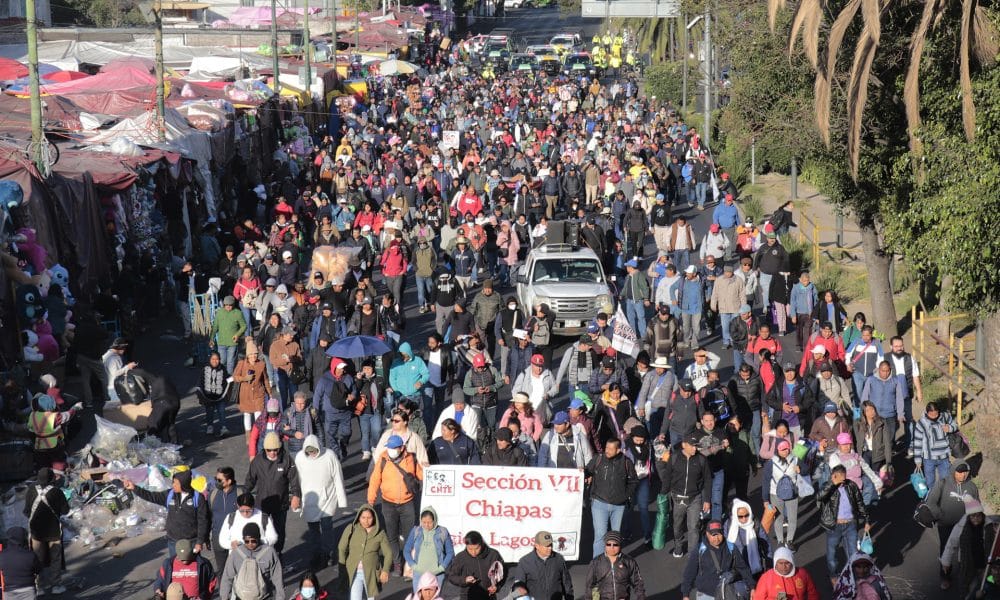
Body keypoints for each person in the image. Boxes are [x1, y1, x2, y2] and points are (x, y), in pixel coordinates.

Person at [368, 435, 424, 574]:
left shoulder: (411, 458)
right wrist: (371, 500)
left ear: (401, 448)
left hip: (407, 503)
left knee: (409, 535)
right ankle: (397, 562)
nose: (391, 450)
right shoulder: (383, 459)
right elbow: (375, 480)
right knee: (391, 535)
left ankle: (408, 563)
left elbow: (421, 475)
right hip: (388, 503)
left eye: (393, 448)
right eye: (389, 447)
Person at [123, 469, 209, 557]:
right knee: (175, 567)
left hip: (191, 542)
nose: (173, 485)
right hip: (173, 541)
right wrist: (134, 488)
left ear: (184, 484)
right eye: (173, 482)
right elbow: (152, 496)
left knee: (191, 569)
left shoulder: (198, 498)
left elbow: (203, 521)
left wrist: (200, 542)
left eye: (176, 483)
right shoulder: (170, 494)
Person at [296, 434, 348, 571]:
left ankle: (329, 553)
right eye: (309, 451)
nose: (311, 454)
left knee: (327, 528)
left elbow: (338, 477)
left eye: (313, 451)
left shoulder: (329, 455)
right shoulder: (300, 458)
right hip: (309, 501)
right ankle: (316, 554)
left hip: (327, 499)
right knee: (313, 531)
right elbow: (297, 481)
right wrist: (297, 500)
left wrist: (342, 500)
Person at [657, 432, 711, 558]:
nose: (694, 448)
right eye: (692, 446)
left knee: (693, 527)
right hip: (677, 498)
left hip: (695, 498)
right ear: (683, 445)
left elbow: (708, 480)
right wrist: (662, 494)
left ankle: (692, 554)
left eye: (696, 446)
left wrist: (707, 500)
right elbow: (667, 477)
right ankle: (678, 547)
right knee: (677, 526)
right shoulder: (674, 458)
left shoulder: (702, 459)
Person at [245, 432, 301, 553]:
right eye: (269, 450)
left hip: (280, 504)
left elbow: (294, 479)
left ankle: (277, 554)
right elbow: (250, 480)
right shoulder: (257, 461)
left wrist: (296, 495)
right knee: (261, 531)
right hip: (262, 504)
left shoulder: (287, 460)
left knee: (279, 532)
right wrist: (244, 497)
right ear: (265, 449)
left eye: (275, 449)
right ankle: (261, 555)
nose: (272, 452)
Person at [585, 437, 638, 558]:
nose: (607, 450)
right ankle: (597, 565)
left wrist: (625, 495)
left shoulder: (626, 462)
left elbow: (634, 481)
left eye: (610, 448)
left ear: (618, 450)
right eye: (606, 447)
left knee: (615, 536)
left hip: (618, 506)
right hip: (599, 503)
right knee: (600, 535)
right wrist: (583, 471)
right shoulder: (598, 459)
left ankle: (614, 562)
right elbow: (587, 471)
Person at [818, 464, 870, 584]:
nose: (842, 480)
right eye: (839, 477)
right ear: (833, 476)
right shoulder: (827, 486)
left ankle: (853, 577)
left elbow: (859, 503)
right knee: (832, 555)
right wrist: (832, 484)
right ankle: (833, 575)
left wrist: (867, 520)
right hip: (834, 526)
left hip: (850, 525)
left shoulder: (851, 485)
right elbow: (819, 497)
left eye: (843, 476)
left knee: (853, 553)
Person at [680, 520, 753, 600]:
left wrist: (752, 587)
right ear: (707, 534)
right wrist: (685, 594)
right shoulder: (700, 549)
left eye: (719, 534)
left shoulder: (731, 548)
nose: (716, 538)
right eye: (713, 535)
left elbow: (743, 568)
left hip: (726, 592)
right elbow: (690, 572)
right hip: (705, 594)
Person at [23, 468, 68, 595]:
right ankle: (56, 585)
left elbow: (26, 511)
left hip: (36, 532)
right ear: (51, 478)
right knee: (55, 558)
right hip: (54, 531)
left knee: (37, 559)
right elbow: (65, 511)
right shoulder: (57, 492)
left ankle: (39, 587)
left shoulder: (31, 490)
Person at [940, 498, 999, 593]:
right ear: (968, 516)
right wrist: (946, 562)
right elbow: (951, 544)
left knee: (983, 586)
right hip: (966, 563)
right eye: (972, 516)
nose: (975, 519)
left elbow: (994, 543)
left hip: (984, 564)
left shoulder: (989, 526)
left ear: (982, 515)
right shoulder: (961, 527)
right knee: (967, 586)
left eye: (978, 516)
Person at [926, 461, 980, 563]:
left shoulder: (972, 487)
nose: (963, 475)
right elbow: (931, 502)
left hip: (964, 525)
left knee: (965, 550)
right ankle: (945, 571)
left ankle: (964, 572)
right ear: (953, 472)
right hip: (946, 525)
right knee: (946, 549)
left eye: (965, 472)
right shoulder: (943, 483)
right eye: (959, 472)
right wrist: (940, 516)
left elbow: (977, 506)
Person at [338, 505, 392, 600]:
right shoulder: (351, 529)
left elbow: (388, 553)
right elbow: (341, 548)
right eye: (363, 517)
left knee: (371, 598)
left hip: (371, 574)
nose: (366, 521)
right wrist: (342, 566)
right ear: (359, 517)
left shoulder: (380, 533)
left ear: (374, 518)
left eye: (369, 518)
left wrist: (385, 570)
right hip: (354, 573)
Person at [218, 523, 285, 600]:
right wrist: (224, 597)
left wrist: (280, 597)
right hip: (241, 597)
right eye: (247, 541)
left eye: (253, 541)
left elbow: (278, 577)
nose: (250, 544)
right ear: (243, 539)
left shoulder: (269, 552)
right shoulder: (236, 553)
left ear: (259, 538)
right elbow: (227, 577)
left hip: (264, 596)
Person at [402, 508, 455, 594]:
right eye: (424, 522)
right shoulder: (416, 531)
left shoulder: (443, 532)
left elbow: (450, 552)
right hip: (419, 574)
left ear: (435, 520)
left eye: (430, 522)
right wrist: (413, 566)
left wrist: (442, 567)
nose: (426, 525)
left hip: (437, 574)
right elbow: (406, 550)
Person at [761, 439, 802, 550]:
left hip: (792, 494)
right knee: (779, 518)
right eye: (782, 449)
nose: (785, 451)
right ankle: (780, 540)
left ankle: (789, 541)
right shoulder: (771, 463)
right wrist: (765, 499)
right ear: (777, 450)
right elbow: (765, 481)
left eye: (787, 448)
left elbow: (807, 470)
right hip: (775, 494)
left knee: (793, 519)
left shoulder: (796, 458)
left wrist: (800, 469)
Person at [509, 531, 573, 600]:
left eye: (551, 545)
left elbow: (566, 583)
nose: (550, 548)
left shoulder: (558, 559)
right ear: (537, 546)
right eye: (547, 546)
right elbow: (518, 586)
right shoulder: (525, 562)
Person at [26, 393, 81, 472]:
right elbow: (68, 415)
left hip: (39, 445)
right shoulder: (55, 416)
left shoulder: (33, 415)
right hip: (54, 445)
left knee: (43, 464)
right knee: (58, 465)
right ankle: (58, 476)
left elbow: (30, 430)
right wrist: (75, 408)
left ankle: (44, 476)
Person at [314, 357, 356, 460]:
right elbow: (317, 395)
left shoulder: (348, 378)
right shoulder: (324, 379)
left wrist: (353, 395)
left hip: (345, 412)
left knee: (347, 433)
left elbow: (354, 389)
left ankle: (343, 444)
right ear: (334, 367)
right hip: (330, 414)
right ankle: (336, 453)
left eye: (343, 368)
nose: (342, 370)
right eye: (340, 368)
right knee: (330, 434)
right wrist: (315, 410)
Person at [584, 531, 645, 600]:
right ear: (605, 545)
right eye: (608, 544)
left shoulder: (629, 562)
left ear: (620, 545)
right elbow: (589, 585)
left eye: (615, 545)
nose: (612, 547)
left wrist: (641, 597)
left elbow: (638, 583)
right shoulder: (596, 562)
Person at [446, 531, 506, 600]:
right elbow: (451, 576)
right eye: (470, 549)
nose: (473, 552)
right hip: (467, 596)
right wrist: (464, 580)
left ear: (481, 544)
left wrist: (497, 587)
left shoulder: (493, 554)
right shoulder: (461, 557)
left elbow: (503, 573)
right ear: (466, 545)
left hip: (488, 596)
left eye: (477, 548)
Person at [912, 401, 958, 491]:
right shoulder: (921, 423)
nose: (934, 417)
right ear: (927, 412)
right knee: (930, 483)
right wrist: (917, 460)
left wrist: (949, 428)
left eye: (936, 414)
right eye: (931, 415)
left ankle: (944, 499)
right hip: (928, 458)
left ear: (939, 412)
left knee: (945, 481)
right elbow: (917, 442)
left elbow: (955, 425)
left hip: (944, 456)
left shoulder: (945, 416)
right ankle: (931, 500)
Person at [152, 538, 217, 600]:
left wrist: (204, 597)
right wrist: (158, 590)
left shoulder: (203, 563)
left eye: (186, 558)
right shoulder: (168, 564)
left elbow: (212, 581)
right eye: (182, 559)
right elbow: (160, 580)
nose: (184, 561)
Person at [725, 499, 771, 579]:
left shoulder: (755, 523)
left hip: (756, 566)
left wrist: (770, 562)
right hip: (738, 568)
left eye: (746, 515)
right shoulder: (729, 525)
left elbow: (766, 542)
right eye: (740, 516)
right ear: (735, 515)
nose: (744, 519)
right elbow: (725, 545)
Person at [234, 341, 272, 437]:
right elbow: (235, 377)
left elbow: (265, 379)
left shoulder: (261, 364)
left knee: (258, 415)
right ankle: (248, 435)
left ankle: (257, 435)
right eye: (251, 354)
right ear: (248, 354)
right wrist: (244, 378)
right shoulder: (242, 363)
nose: (254, 356)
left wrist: (270, 393)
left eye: (255, 353)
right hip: (245, 394)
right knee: (247, 414)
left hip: (258, 393)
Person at [753, 547, 820, 600]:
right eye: (781, 563)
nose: (784, 567)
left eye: (787, 563)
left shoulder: (802, 574)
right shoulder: (766, 578)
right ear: (775, 564)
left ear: (792, 562)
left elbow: (813, 594)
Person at [209, 467, 240, 572]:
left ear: (229, 481)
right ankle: (223, 588)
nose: (216, 482)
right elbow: (207, 517)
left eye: (219, 480)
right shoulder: (213, 494)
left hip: (235, 538)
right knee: (221, 569)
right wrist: (205, 537)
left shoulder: (240, 494)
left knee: (237, 568)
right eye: (215, 479)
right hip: (217, 538)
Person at [0, 526, 41, 600]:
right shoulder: (30, 555)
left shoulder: (2, 555)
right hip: (28, 591)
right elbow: (38, 570)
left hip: (9, 592)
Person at [210, 295, 247, 374]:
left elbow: (244, 326)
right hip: (222, 342)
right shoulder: (219, 313)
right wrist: (211, 338)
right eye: (226, 305)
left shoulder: (238, 313)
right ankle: (221, 376)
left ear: (233, 305)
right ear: (224, 305)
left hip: (232, 343)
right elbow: (215, 326)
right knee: (222, 361)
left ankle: (229, 379)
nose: (228, 307)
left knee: (230, 363)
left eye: (230, 305)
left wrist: (237, 334)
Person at [198, 351, 230, 438]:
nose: (215, 361)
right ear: (209, 359)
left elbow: (227, 380)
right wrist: (201, 395)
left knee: (222, 412)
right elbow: (201, 382)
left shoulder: (223, 368)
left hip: (220, 396)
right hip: (208, 396)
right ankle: (210, 426)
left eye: (217, 359)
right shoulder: (204, 368)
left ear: (219, 360)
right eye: (213, 359)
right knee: (209, 412)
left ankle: (223, 427)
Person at [282, 391, 324, 457]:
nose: (300, 406)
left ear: (306, 401)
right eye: (298, 403)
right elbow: (282, 428)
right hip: (294, 448)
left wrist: (322, 445)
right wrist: (294, 433)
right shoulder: (288, 412)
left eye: (302, 403)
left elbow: (319, 429)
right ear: (294, 401)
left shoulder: (312, 411)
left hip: (310, 446)